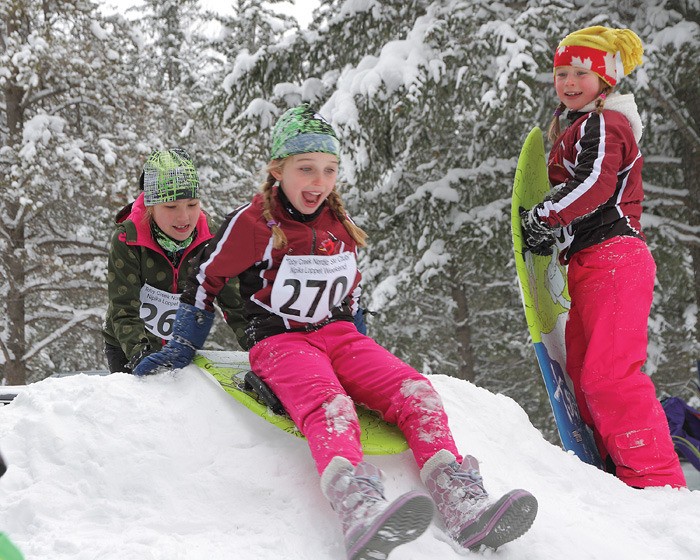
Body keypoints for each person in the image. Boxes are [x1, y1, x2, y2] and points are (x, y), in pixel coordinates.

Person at [135, 105, 538, 559]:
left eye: (328, 171)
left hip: (340, 336)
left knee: (417, 392)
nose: (318, 182)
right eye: (305, 169)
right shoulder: (252, 224)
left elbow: (350, 291)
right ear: (277, 170)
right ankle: (358, 506)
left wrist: (365, 353)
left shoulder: (337, 225)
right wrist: (183, 344)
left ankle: (462, 501)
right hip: (280, 341)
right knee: (332, 406)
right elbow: (204, 278)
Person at [520, 26, 686, 489]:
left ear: (605, 80)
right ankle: (617, 463)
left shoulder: (602, 124)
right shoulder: (580, 125)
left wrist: (545, 216)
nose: (568, 82)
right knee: (582, 373)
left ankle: (655, 481)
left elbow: (595, 185)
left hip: (616, 258)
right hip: (592, 262)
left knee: (608, 375)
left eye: (580, 73)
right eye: (561, 72)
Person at [102, 148, 245, 374]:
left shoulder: (210, 238)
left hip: (180, 346)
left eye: (192, 204)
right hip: (128, 344)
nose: (184, 217)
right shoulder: (127, 239)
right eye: (171, 206)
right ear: (151, 206)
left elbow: (237, 303)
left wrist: (263, 347)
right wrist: (141, 352)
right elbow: (124, 309)